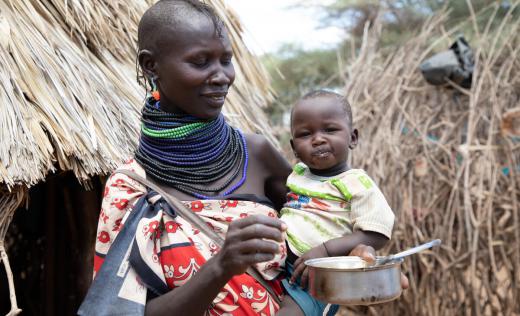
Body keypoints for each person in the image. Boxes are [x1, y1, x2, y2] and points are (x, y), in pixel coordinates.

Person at [80, 1, 407, 315]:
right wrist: (221, 266)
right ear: (151, 65)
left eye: (226, 59)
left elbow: (322, 232)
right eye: (200, 61)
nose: (222, 75)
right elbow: (121, 311)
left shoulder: (258, 154)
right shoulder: (131, 187)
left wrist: (361, 265)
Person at [277, 90, 395, 316]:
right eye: (305, 134)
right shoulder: (299, 175)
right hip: (279, 265)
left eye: (330, 130)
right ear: (294, 148)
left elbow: (376, 233)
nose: (318, 139)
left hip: (318, 277)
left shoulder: (357, 184)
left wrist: (326, 249)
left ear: (352, 138)